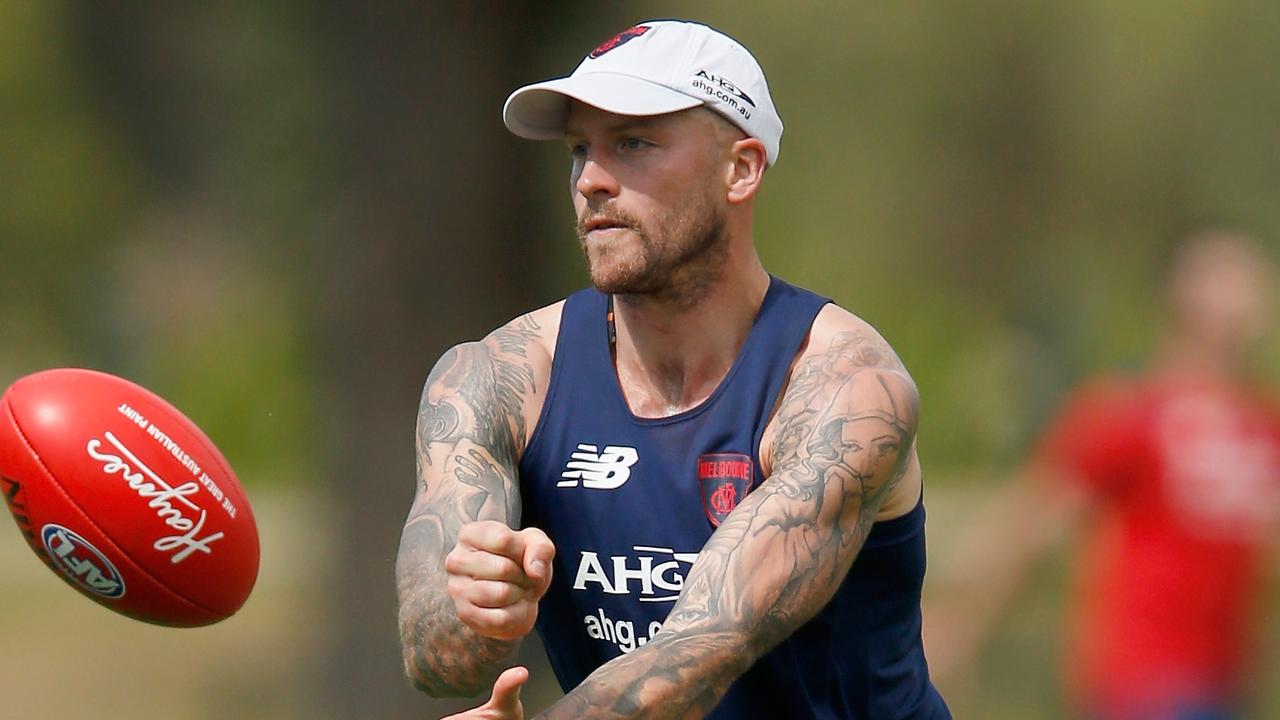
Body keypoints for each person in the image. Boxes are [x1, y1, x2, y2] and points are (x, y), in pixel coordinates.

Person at [395, 19, 951, 719]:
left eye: (632, 144)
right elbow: (433, 660)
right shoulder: (497, 378)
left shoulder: (843, 386)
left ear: (741, 169)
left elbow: (691, 661)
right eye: (579, 150)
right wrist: (476, 607)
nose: (591, 180)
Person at [925, 231, 1280, 719]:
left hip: (1226, 686)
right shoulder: (1130, 412)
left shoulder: (1263, 426)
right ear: (1185, 294)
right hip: (1145, 687)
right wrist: (955, 625)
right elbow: (1026, 523)